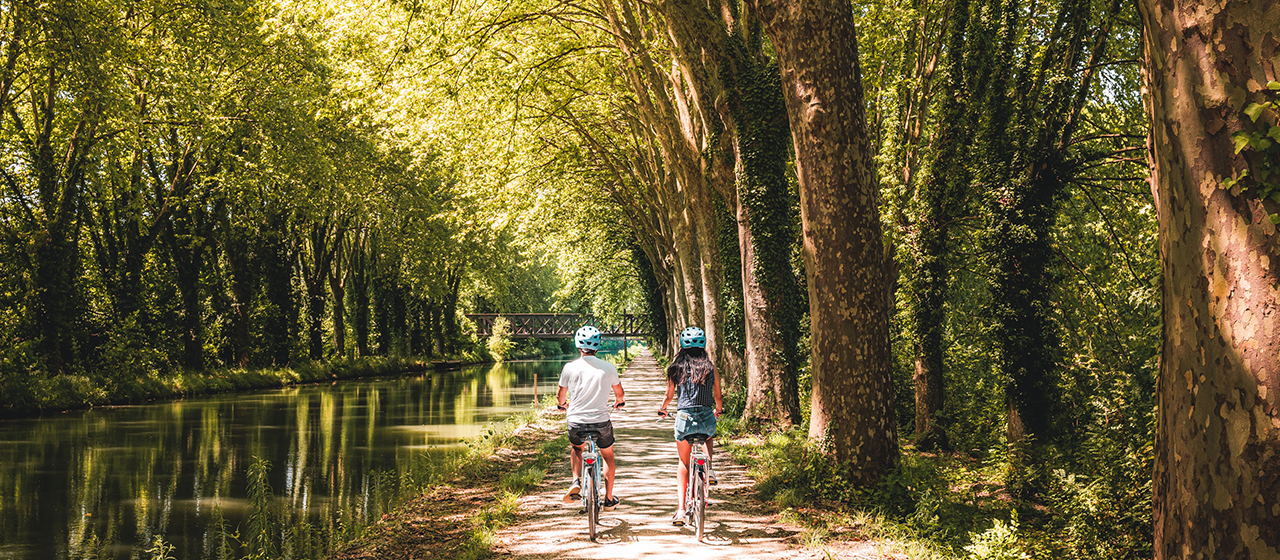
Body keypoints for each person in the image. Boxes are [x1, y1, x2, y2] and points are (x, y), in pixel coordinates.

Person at [657, 326, 723, 525]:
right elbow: (718, 395)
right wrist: (718, 409)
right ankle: (708, 469)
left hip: (684, 418)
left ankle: (680, 510)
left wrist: (662, 408)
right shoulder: (710, 368)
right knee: (707, 435)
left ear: (682, 346)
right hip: (705, 415)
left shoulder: (675, 368)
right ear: (703, 345)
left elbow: (669, 396)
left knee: (684, 463)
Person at [556, 325, 625, 511]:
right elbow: (620, 393)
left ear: (578, 345)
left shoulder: (569, 368)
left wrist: (563, 405)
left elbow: (560, 395)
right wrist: (619, 402)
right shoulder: (608, 367)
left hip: (576, 421)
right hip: (601, 421)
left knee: (577, 449)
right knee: (608, 455)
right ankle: (609, 499)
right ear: (598, 345)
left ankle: (575, 481)